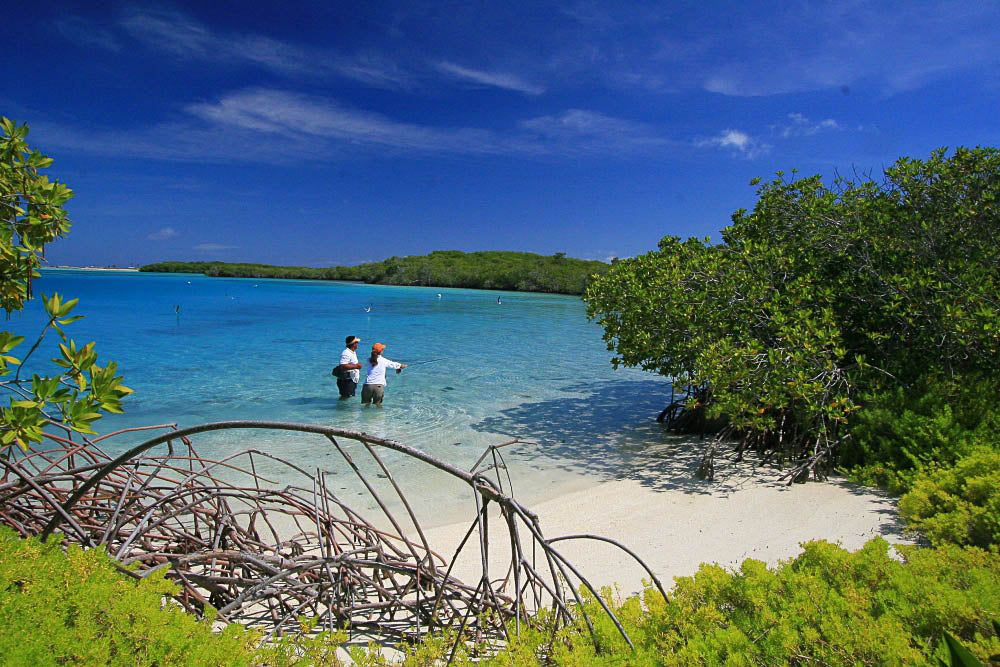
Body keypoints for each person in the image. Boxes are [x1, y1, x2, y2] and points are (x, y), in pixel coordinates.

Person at [361, 342, 406, 407]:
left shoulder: (368, 360)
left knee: (366, 406)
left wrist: (399, 367)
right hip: (378, 386)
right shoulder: (383, 360)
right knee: (378, 406)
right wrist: (402, 366)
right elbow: (394, 364)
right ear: (381, 351)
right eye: (383, 349)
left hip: (367, 386)